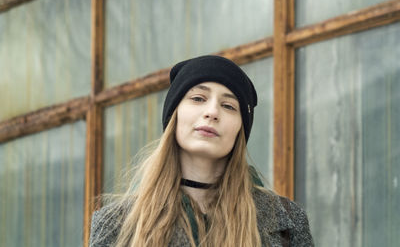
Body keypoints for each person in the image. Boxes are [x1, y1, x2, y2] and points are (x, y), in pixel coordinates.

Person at [89, 55, 314, 246]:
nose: (212, 112)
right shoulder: (116, 224)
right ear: (174, 116)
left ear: (240, 129)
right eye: (198, 98)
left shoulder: (287, 222)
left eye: (228, 106)